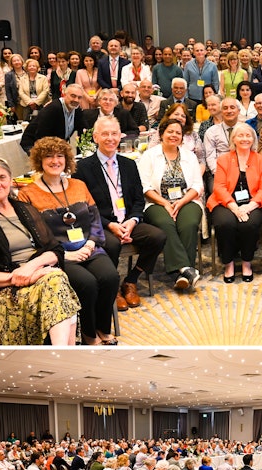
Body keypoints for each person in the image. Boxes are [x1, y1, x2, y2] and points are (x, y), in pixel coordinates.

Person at [0, 158, 79, 345]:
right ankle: (63, 355)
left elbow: (54, 250)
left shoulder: (25, 210)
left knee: (56, 281)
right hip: (2, 292)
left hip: (40, 276)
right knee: (58, 282)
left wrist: (31, 267)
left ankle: (61, 355)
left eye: (2, 177)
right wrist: (19, 277)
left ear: (10, 180)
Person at [17, 138, 118, 345]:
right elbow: (34, 235)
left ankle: (103, 327)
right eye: (49, 156)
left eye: (60, 156)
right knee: (87, 284)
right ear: (39, 160)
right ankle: (89, 334)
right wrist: (65, 254)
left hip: (89, 247)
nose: (55, 161)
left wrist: (91, 244)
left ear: (67, 159)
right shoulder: (27, 194)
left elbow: (95, 218)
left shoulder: (78, 185)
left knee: (110, 277)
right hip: (59, 255)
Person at [73, 117, 166, 311]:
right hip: (101, 224)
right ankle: (111, 287)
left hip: (128, 221)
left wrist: (132, 221)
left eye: (114, 133)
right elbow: (85, 207)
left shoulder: (129, 164)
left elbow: (139, 200)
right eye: (105, 134)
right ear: (95, 137)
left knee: (157, 237)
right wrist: (110, 225)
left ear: (120, 136)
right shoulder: (82, 168)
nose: (110, 138)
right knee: (112, 243)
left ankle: (131, 281)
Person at [138, 116, 205, 291]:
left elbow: (198, 185)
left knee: (189, 224)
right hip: (156, 202)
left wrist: (181, 202)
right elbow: (145, 187)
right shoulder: (149, 156)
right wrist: (165, 204)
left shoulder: (189, 156)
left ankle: (180, 273)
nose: (174, 135)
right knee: (165, 223)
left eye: (178, 133)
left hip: (186, 200)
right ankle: (186, 270)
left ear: (182, 136)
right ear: (161, 134)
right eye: (170, 132)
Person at [208, 123, 262, 283]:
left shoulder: (261, 160)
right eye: (240, 135)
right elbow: (219, 187)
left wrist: (249, 207)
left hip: (253, 203)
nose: (244, 139)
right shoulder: (223, 159)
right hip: (225, 203)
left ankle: (246, 263)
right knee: (225, 224)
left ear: (253, 139)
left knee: (248, 225)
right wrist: (235, 208)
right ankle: (228, 264)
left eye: (248, 135)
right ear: (233, 139)